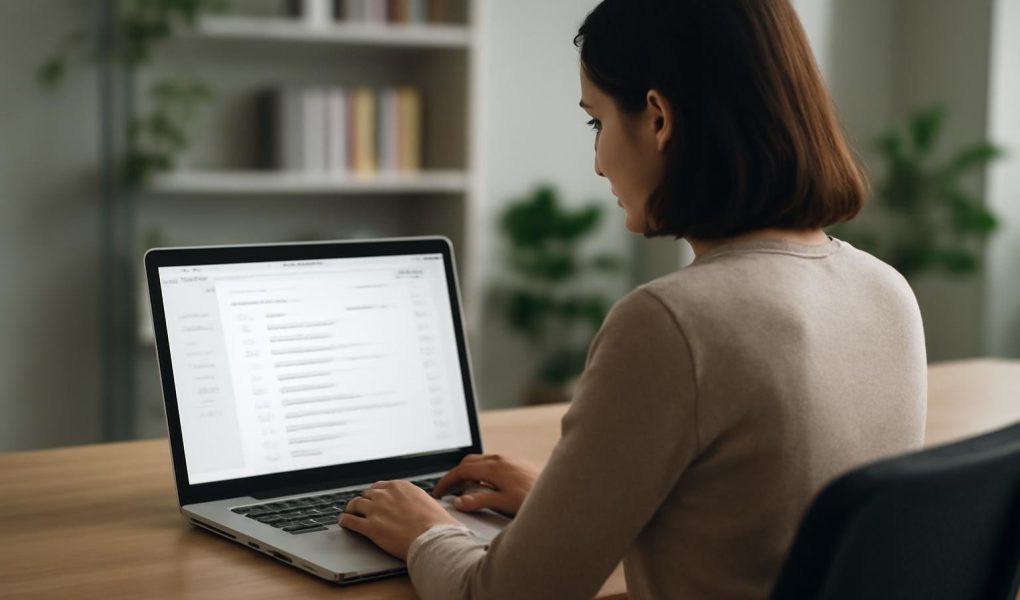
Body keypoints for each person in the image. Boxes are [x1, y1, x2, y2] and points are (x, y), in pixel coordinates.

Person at [337, 0, 927, 597]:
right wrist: (565, 504)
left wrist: (425, 530)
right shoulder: (887, 291)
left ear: (658, 119)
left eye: (597, 123)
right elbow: (753, 512)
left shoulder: (673, 323)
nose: (596, 163)